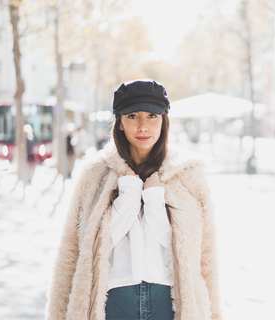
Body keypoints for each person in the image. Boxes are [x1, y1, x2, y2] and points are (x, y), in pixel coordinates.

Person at [45, 79, 222, 320]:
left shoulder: (188, 175)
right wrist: (128, 194)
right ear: (118, 123)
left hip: (170, 301)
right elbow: (78, 251)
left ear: (163, 120)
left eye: (152, 116)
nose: (143, 127)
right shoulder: (95, 174)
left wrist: (154, 199)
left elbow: (202, 257)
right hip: (115, 302)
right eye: (132, 117)